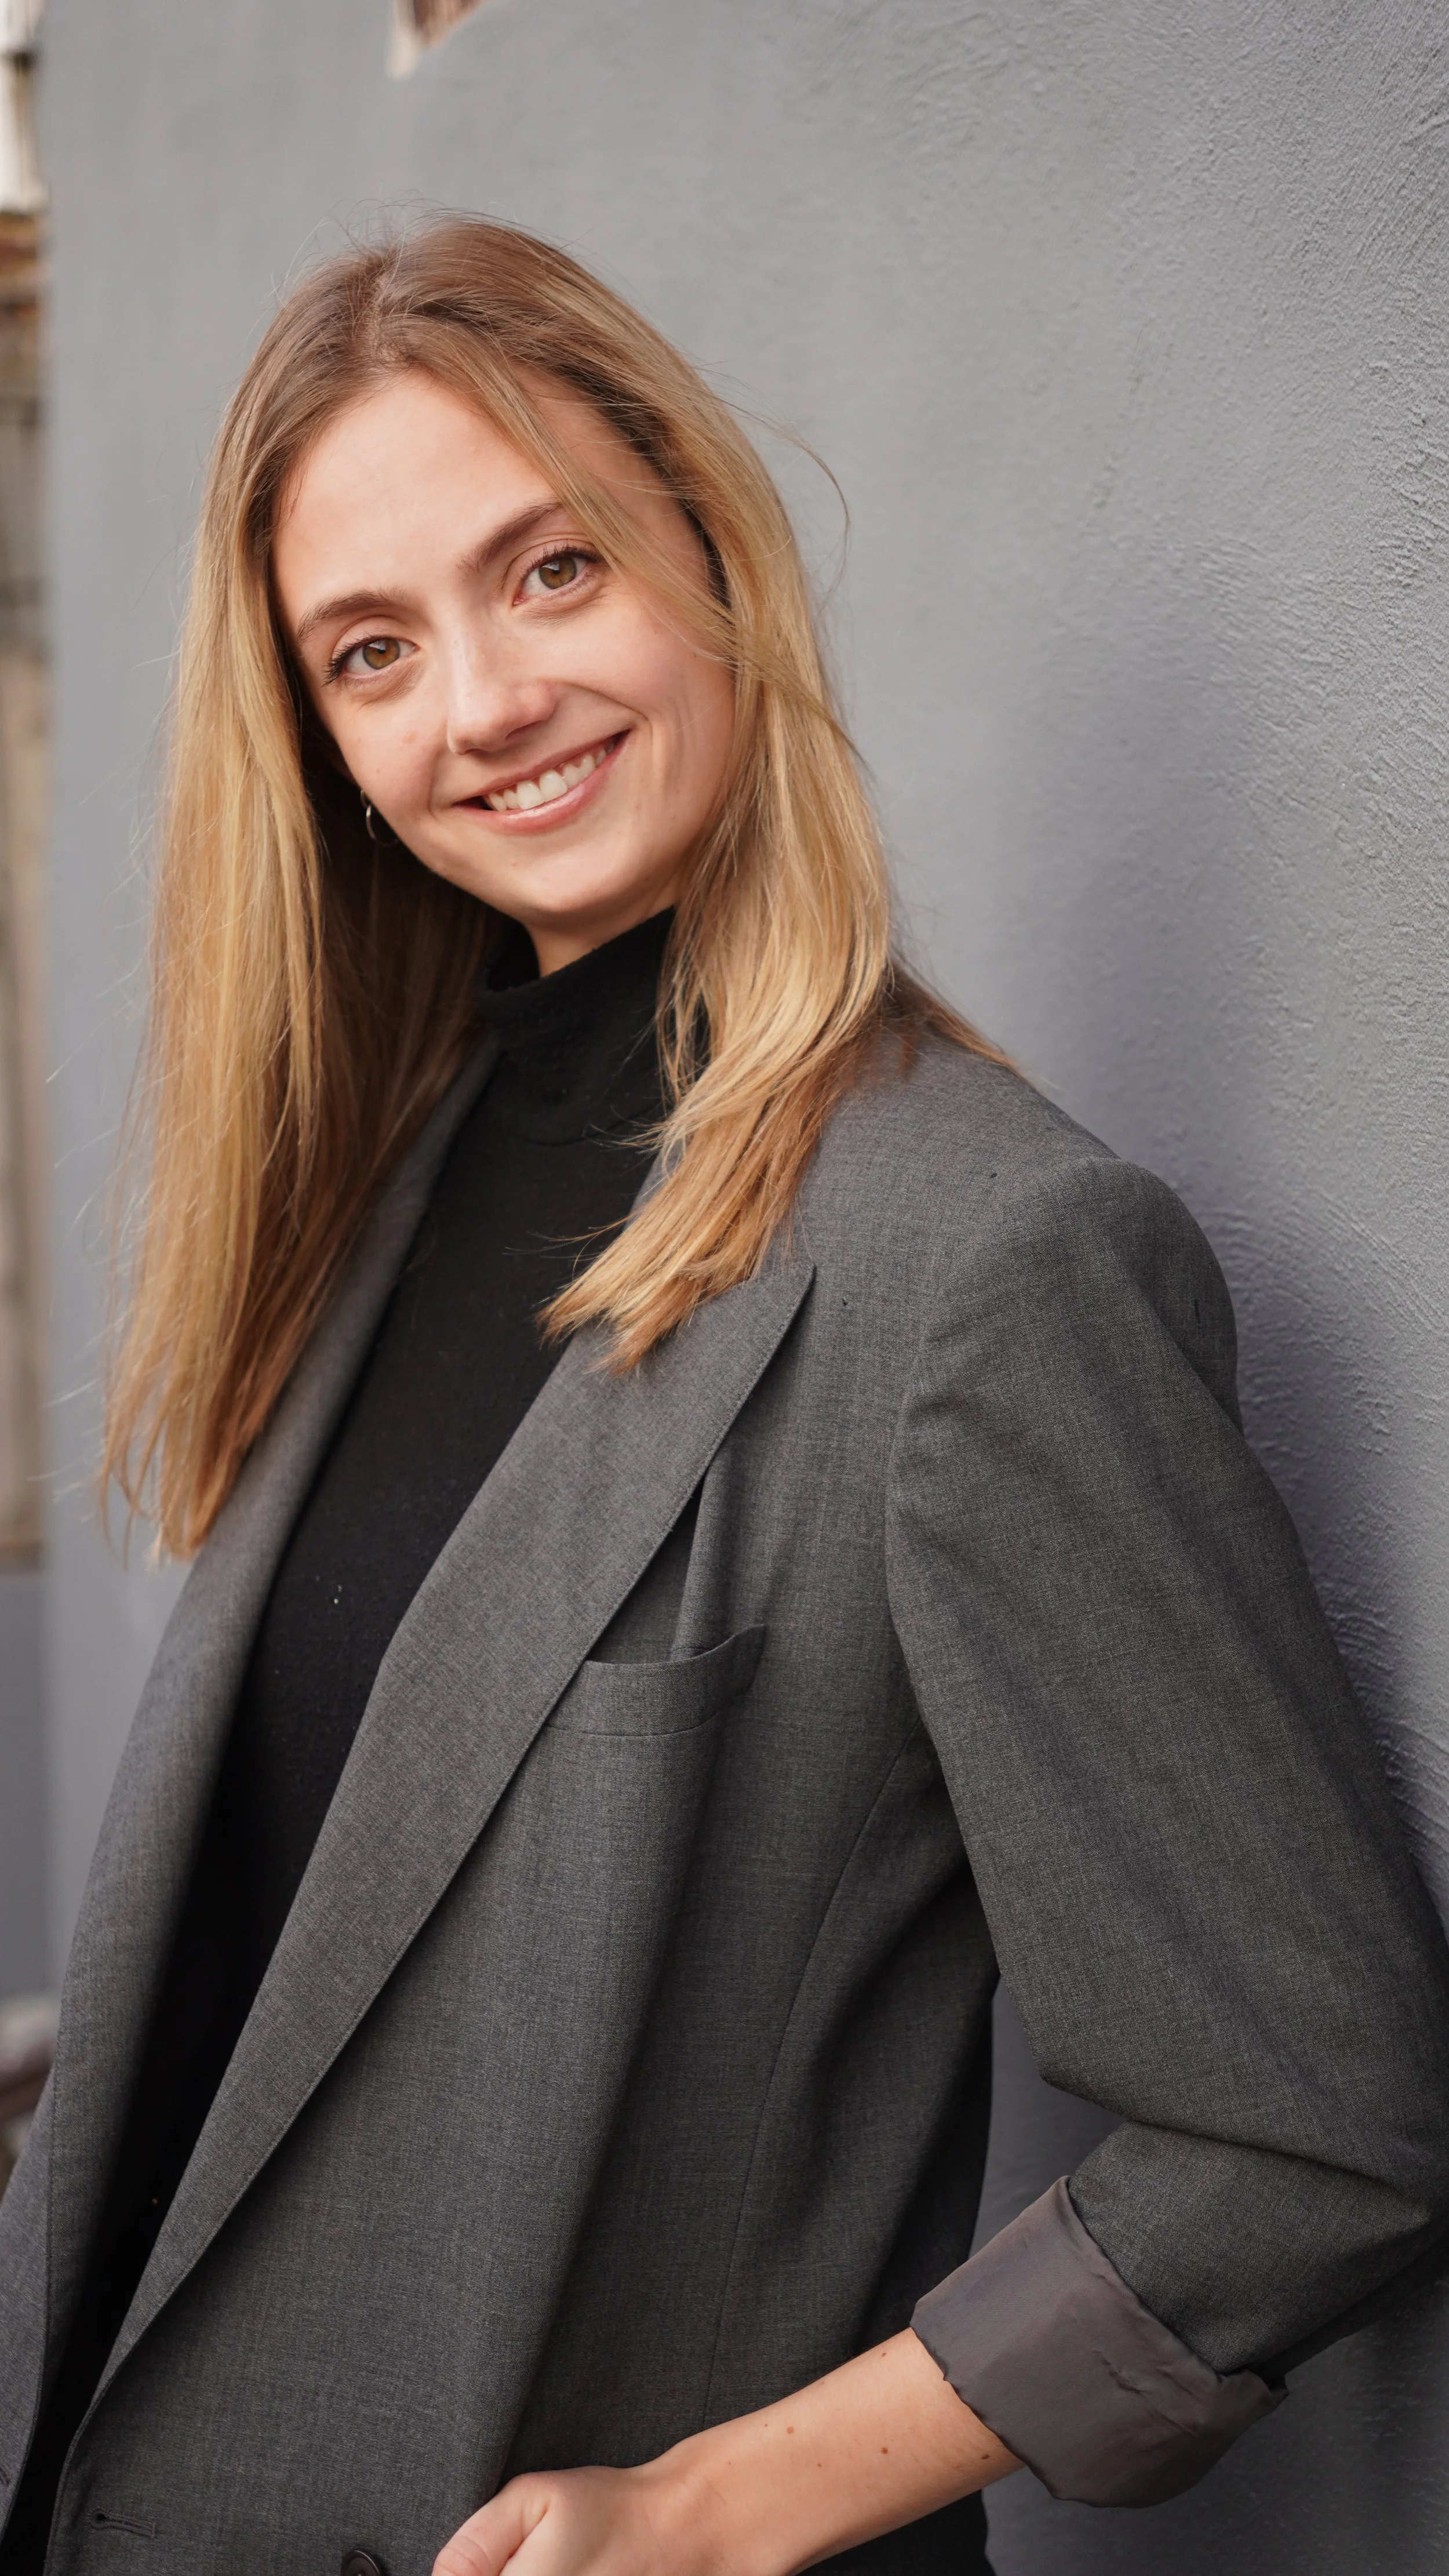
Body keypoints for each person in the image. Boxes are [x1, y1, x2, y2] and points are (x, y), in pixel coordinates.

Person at [2, 217, 1447, 2576]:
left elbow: (1312, 2124)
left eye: (547, 568)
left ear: (706, 544)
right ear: (317, 742)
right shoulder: (389, 1183)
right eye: (371, 652)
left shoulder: (982, 1262)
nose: (479, 701)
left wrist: (715, 2506)